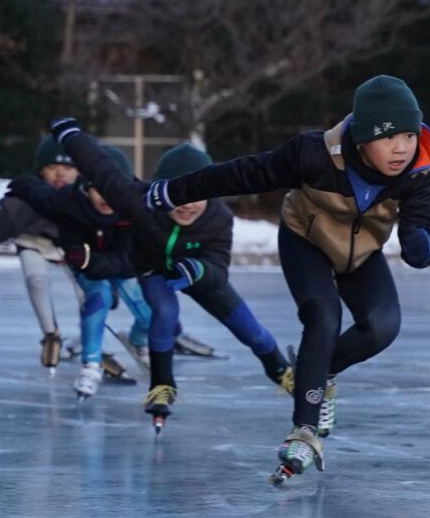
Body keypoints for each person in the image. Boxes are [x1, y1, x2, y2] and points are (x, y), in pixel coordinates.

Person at [141, 75, 430, 481]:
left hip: (362, 251)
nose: (402, 148)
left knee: (383, 326)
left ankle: (320, 370)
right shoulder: (314, 154)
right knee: (324, 315)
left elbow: (419, 226)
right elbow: (241, 174)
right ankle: (304, 427)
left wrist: (422, 244)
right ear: (362, 137)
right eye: (389, 138)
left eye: (409, 134)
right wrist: (176, 190)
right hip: (306, 241)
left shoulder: (417, 170)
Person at [50, 121, 292, 427]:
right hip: (155, 269)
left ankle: (282, 372)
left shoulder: (218, 219)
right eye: (179, 194)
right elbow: (101, 169)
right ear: (161, 191)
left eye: (199, 194)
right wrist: (70, 135)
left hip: (200, 273)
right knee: (164, 312)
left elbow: (218, 269)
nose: (188, 204)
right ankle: (161, 386)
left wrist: (198, 269)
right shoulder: (140, 202)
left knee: (251, 331)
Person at [0, 136, 139, 379]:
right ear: (40, 170)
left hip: (75, 250)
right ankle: (50, 335)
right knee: (36, 280)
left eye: (68, 168)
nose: (60, 175)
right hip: (35, 243)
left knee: (94, 297)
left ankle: (94, 349)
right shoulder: (29, 198)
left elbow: (116, 239)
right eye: (52, 168)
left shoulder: (92, 198)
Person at [3, 140, 154, 399]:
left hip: (120, 263)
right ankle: (91, 365)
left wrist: (95, 262)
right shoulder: (68, 201)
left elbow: (130, 258)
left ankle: (137, 341)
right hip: (87, 265)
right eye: (99, 190)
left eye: (114, 191)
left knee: (149, 313)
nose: (107, 199)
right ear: (86, 186)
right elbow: (38, 192)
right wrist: (21, 183)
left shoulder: (136, 208)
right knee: (99, 298)